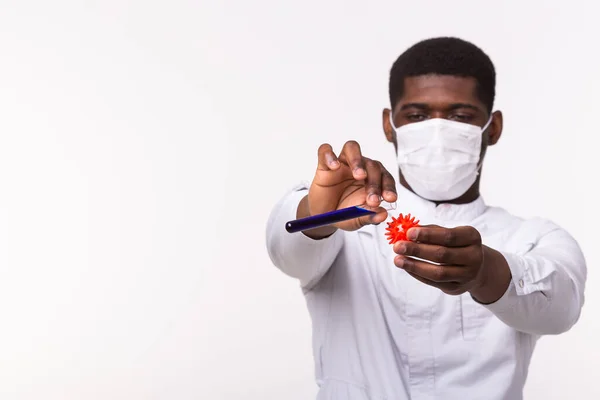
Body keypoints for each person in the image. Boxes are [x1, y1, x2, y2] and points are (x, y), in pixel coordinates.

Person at [265, 37, 587, 400]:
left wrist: (484, 272)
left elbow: (561, 309)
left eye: (461, 116)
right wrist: (317, 214)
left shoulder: (534, 238)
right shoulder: (349, 226)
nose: (438, 130)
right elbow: (286, 249)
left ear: (492, 128)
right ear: (390, 125)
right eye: (416, 115)